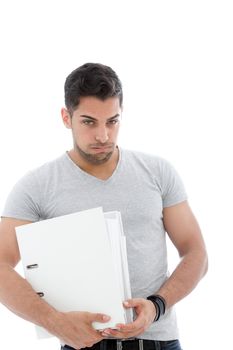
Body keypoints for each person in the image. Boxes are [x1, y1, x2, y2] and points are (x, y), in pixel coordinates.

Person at [0, 63, 208, 350]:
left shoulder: (158, 172)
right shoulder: (36, 186)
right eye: (89, 122)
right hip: (83, 343)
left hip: (159, 340)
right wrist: (55, 322)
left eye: (112, 121)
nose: (103, 136)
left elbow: (196, 252)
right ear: (66, 117)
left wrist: (157, 306)